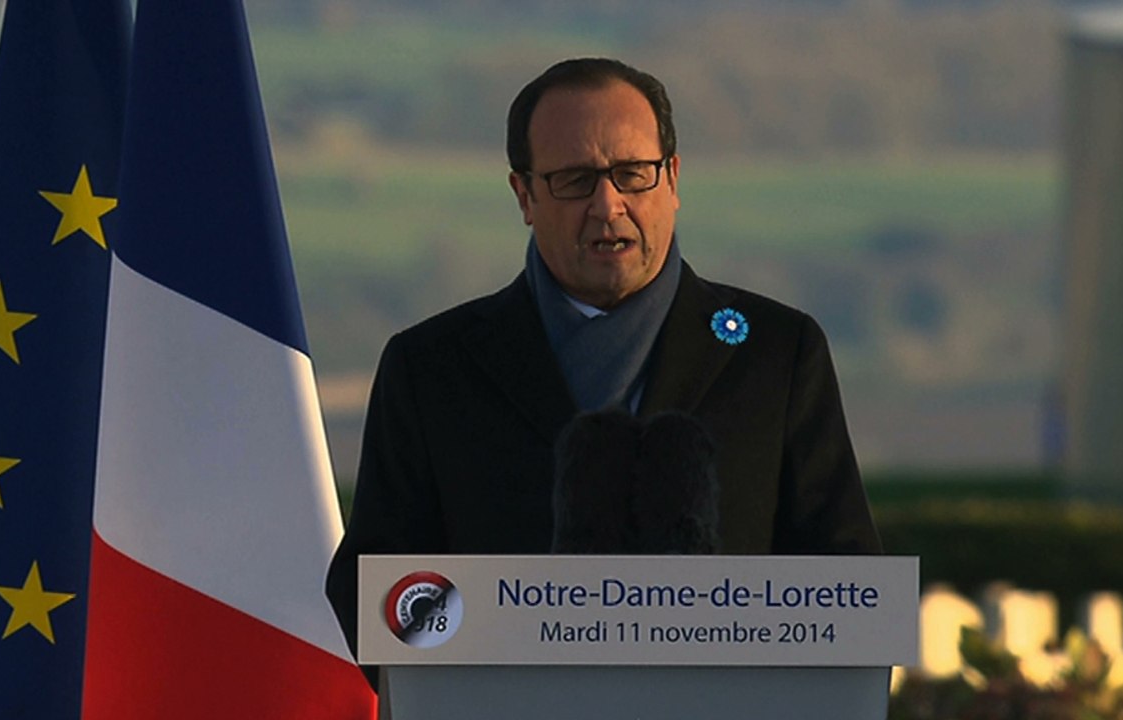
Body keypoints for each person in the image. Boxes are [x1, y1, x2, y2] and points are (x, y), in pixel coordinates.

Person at [325, 57, 881, 664]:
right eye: (575, 180)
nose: (608, 204)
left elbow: (846, 583)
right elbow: (370, 593)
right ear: (524, 195)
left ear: (672, 178)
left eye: (632, 174)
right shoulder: (432, 368)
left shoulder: (776, 352)